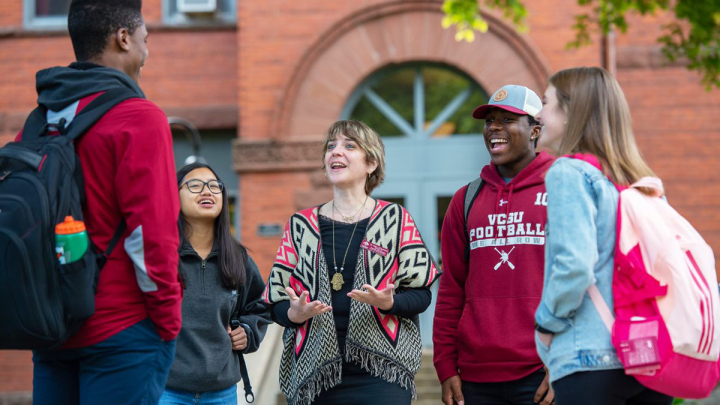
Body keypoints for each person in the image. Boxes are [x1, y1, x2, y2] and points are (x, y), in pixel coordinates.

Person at [29, 1, 183, 404]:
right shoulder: (139, 117)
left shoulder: (43, 119)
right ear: (123, 38)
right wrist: (168, 322)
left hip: (51, 326)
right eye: (145, 41)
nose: (146, 54)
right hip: (122, 332)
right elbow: (151, 235)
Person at [262, 120, 441, 405]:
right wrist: (294, 314)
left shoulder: (395, 219)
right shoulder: (300, 225)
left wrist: (389, 304)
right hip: (315, 373)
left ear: (371, 163)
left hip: (382, 373)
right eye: (330, 146)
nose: (336, 152)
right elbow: (275, 303)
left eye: (349, 146)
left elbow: (421, 294)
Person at [533, 66, 673, 405]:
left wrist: (545, 325)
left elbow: (575, 265)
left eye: (545, 102)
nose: (537, 114)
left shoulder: (569, 172)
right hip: (649, 355)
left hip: (591, 356)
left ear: (570, 112)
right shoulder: (642, 181)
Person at [433, 84, 556, 405]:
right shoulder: (466, 199)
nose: (495, 128)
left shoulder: (561, 186)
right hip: (475, 377)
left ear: (535, 130)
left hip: (542, 371)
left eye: (508, 119)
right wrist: (445, 366)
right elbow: (451, 288)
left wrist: (565, 364)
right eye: (489, 121)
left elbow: (583, 282)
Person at [160, 163, 272, 405]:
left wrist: (248, 332)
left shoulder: (238, 258)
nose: (207, 191)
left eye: (214, 186)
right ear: (173, 195)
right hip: (165, 391)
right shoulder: (160, 255)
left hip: (221, 394)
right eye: (194, 185)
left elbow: (260, 306)